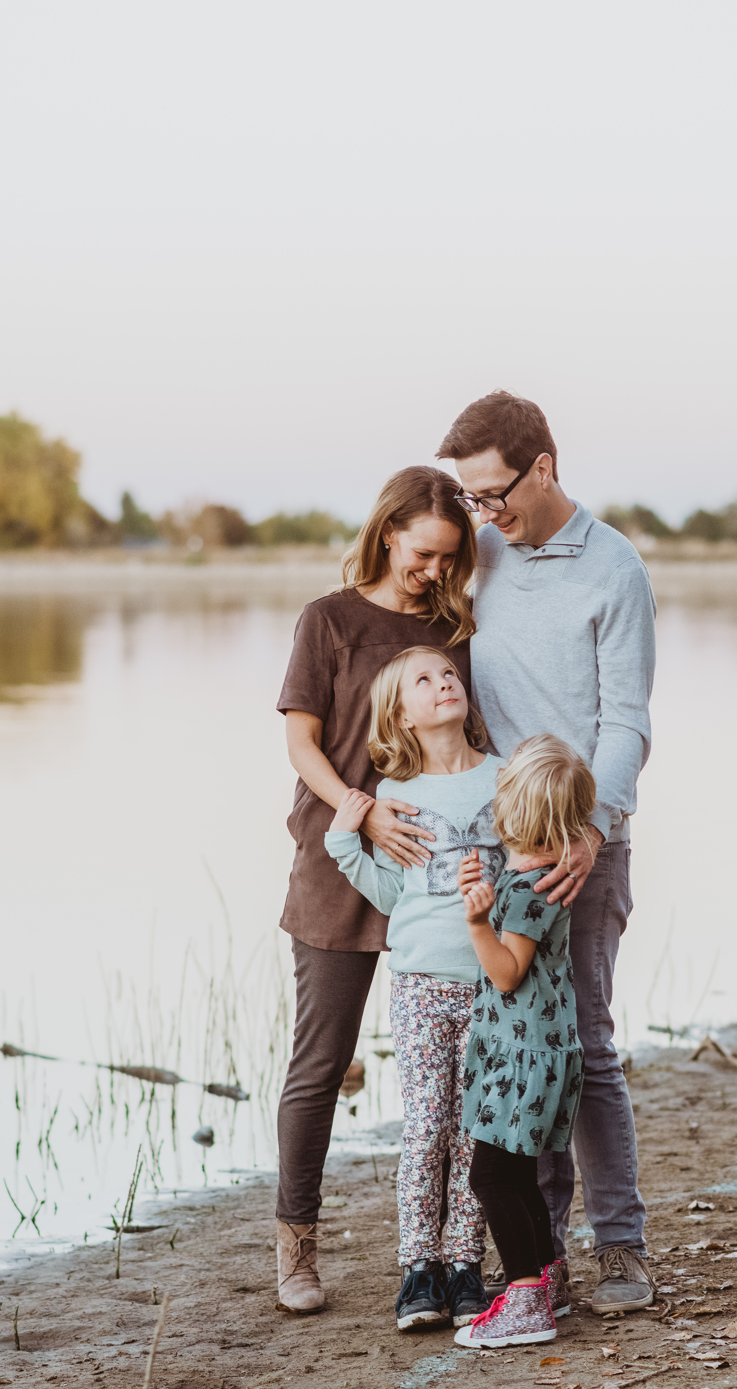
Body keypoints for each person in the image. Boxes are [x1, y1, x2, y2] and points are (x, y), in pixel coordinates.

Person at [437, 391, 657, 1316]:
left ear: (545, 467)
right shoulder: (480, 555)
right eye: (472, 500)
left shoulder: (615, 571)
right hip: (501, 840)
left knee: (586, 1046)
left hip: (585, 840)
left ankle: (621, 1251)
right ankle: (541, 1254)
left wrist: (592, 829)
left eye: (495, 495)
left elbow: (627, 723)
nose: (485, 515)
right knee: (516, 1042)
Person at [274, 466, 477, 1314]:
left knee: (460, 1081)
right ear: (390, 529)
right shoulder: (329, 620)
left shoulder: (451, 628)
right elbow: (302, 744)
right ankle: (297, 1249)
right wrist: (359, 815)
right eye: (426, 552)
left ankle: (461, 1253)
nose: (435, 570)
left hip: (435, 880)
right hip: (339, 863)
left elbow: (470, 743)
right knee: (320, 1064)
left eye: (449, 558)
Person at [324, 646, 502, 1332]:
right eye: (423, 682)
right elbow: (392, 890)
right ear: (400, 714)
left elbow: (526, 861)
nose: (442, 685)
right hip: (421, 985)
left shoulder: (505, 777)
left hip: (494, 988)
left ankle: (465, 1265)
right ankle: (418, 1267)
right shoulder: (401, 798)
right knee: (427, 1127)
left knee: (476, 1134)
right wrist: (347, 842)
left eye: (449, 674)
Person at [453, 735, 596, 1348]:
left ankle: (523, 1300)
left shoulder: (527, 892)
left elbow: (507, 972)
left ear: (514, 814)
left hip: (522, 1059)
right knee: (518, 1174)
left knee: (491, 1177)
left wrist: (476, 922)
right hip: (536, 1052)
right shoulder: (534, 879)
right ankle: (545, 1281)